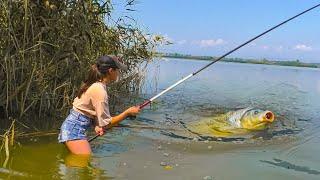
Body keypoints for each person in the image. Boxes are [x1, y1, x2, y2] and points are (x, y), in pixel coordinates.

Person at [58, 55, 140, 154]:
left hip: (71, 127)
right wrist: (127, 113)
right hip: (74, 131)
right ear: (110, 71)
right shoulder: (100, 90)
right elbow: (107, 124)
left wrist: (96, 125)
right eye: (117, 70)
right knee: (84, 162)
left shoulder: (96, 84)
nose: (118, 73)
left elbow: (85, 110)